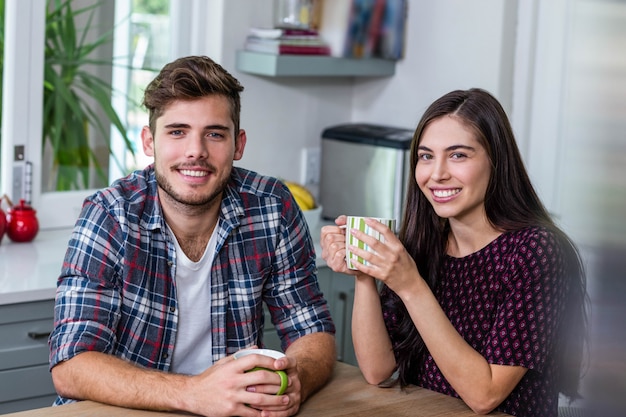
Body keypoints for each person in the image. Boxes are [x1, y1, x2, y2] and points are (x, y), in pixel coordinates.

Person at [49, 55, 336, 417]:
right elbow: (71, 365)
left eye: (214, 134)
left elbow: (312, 328)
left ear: (238, 144)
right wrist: (194, 393)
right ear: (149, 141)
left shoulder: (273, 207)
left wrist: (299, 381)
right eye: (177, 131)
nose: (196, 152)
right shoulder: (110, 215)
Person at [320, 88, 588, 417]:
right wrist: (365, 273)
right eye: (426, 156)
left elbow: (484, 395)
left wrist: (410, 284)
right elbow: (377, 369)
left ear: (495, 160)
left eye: (458, 155)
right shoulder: (423, 243)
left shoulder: (536, 251)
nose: (437, 174)